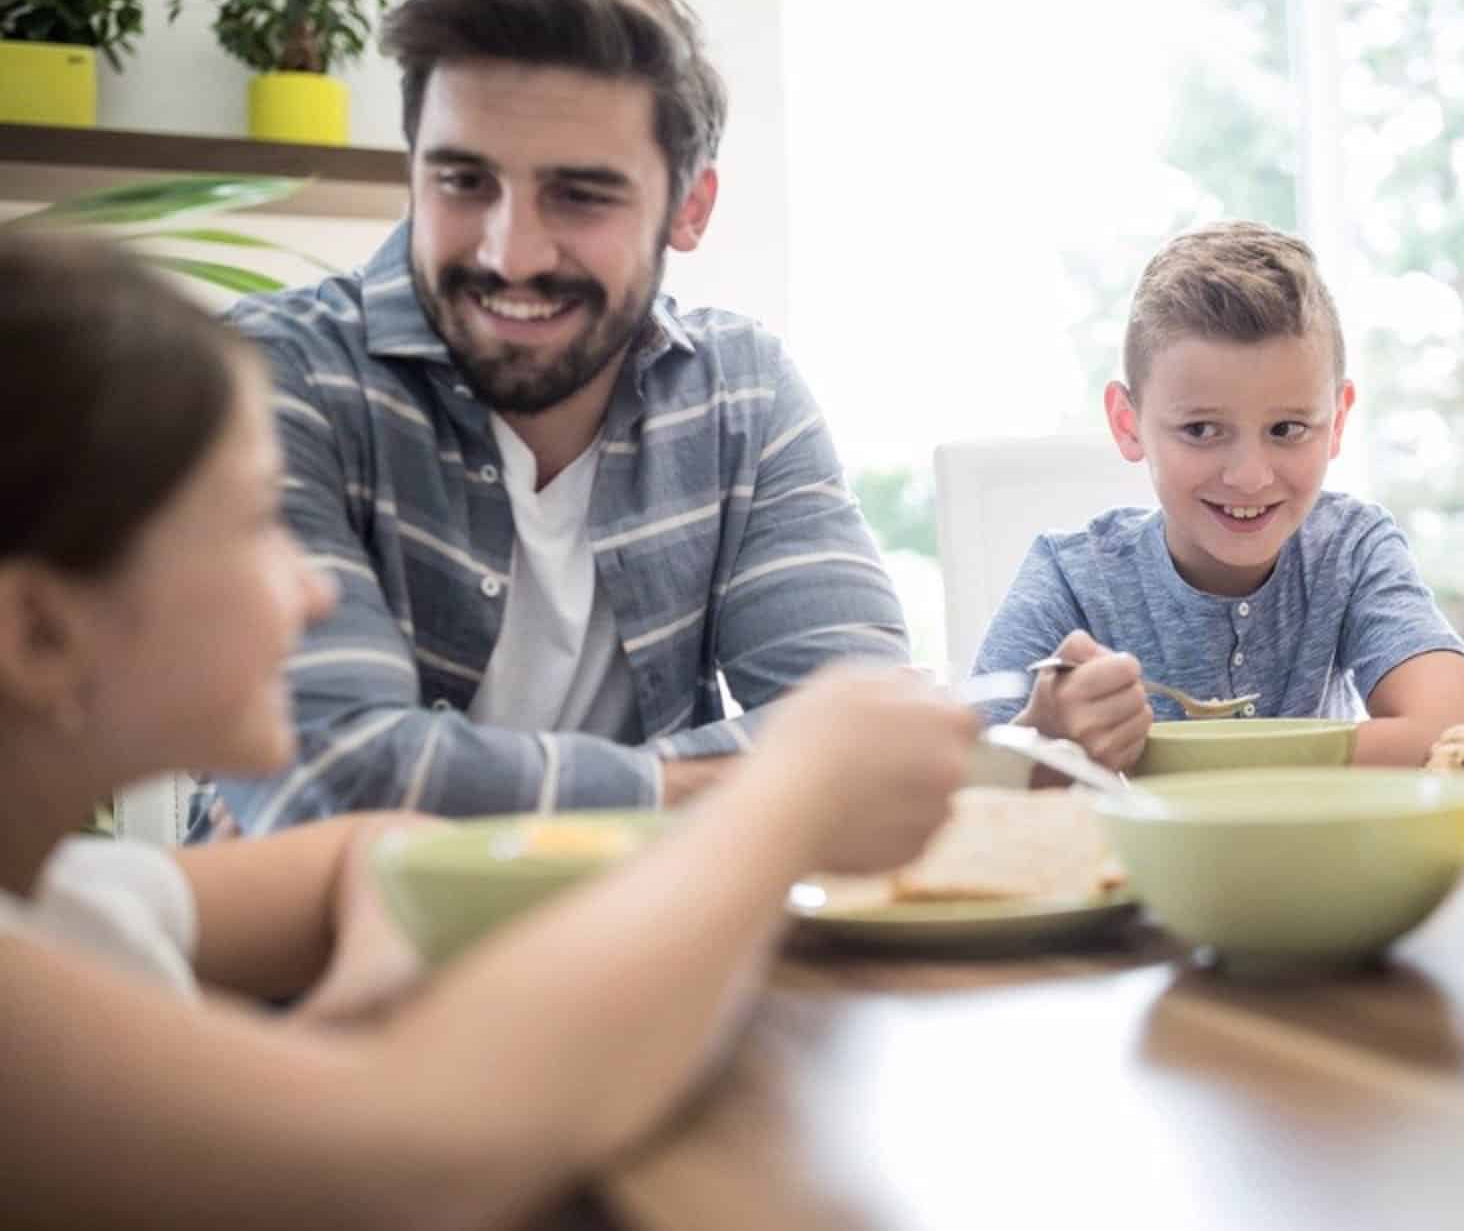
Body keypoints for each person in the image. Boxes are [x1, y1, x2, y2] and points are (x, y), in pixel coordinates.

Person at [0, 237, 975, 1228]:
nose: (313, 587)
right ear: (40, 632)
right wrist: (785, 794)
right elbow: (427, 1155)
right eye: (258, 525)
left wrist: (379, 971)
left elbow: (371, 842)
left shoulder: (70, 899)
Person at [200, 0, 908, 837]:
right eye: (463, 182)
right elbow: (326, 782)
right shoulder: (269, 377)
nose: (513, 253)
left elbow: (862, 728)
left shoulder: (742, 394)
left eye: (580, 196)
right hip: (313, 968)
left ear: (690, 209)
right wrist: (721, 789)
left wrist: (438, 785)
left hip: (663, 945)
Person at [971, 221, 1464, 773]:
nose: (1249, 477)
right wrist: (1043, 741)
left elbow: (1453, 734)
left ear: (1337, 421)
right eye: (1201, 430)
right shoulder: (1071, 577)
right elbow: (963, 788)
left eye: (1286, 429)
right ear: (1128, 423)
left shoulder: (1350, 549)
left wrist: (1179, 762)